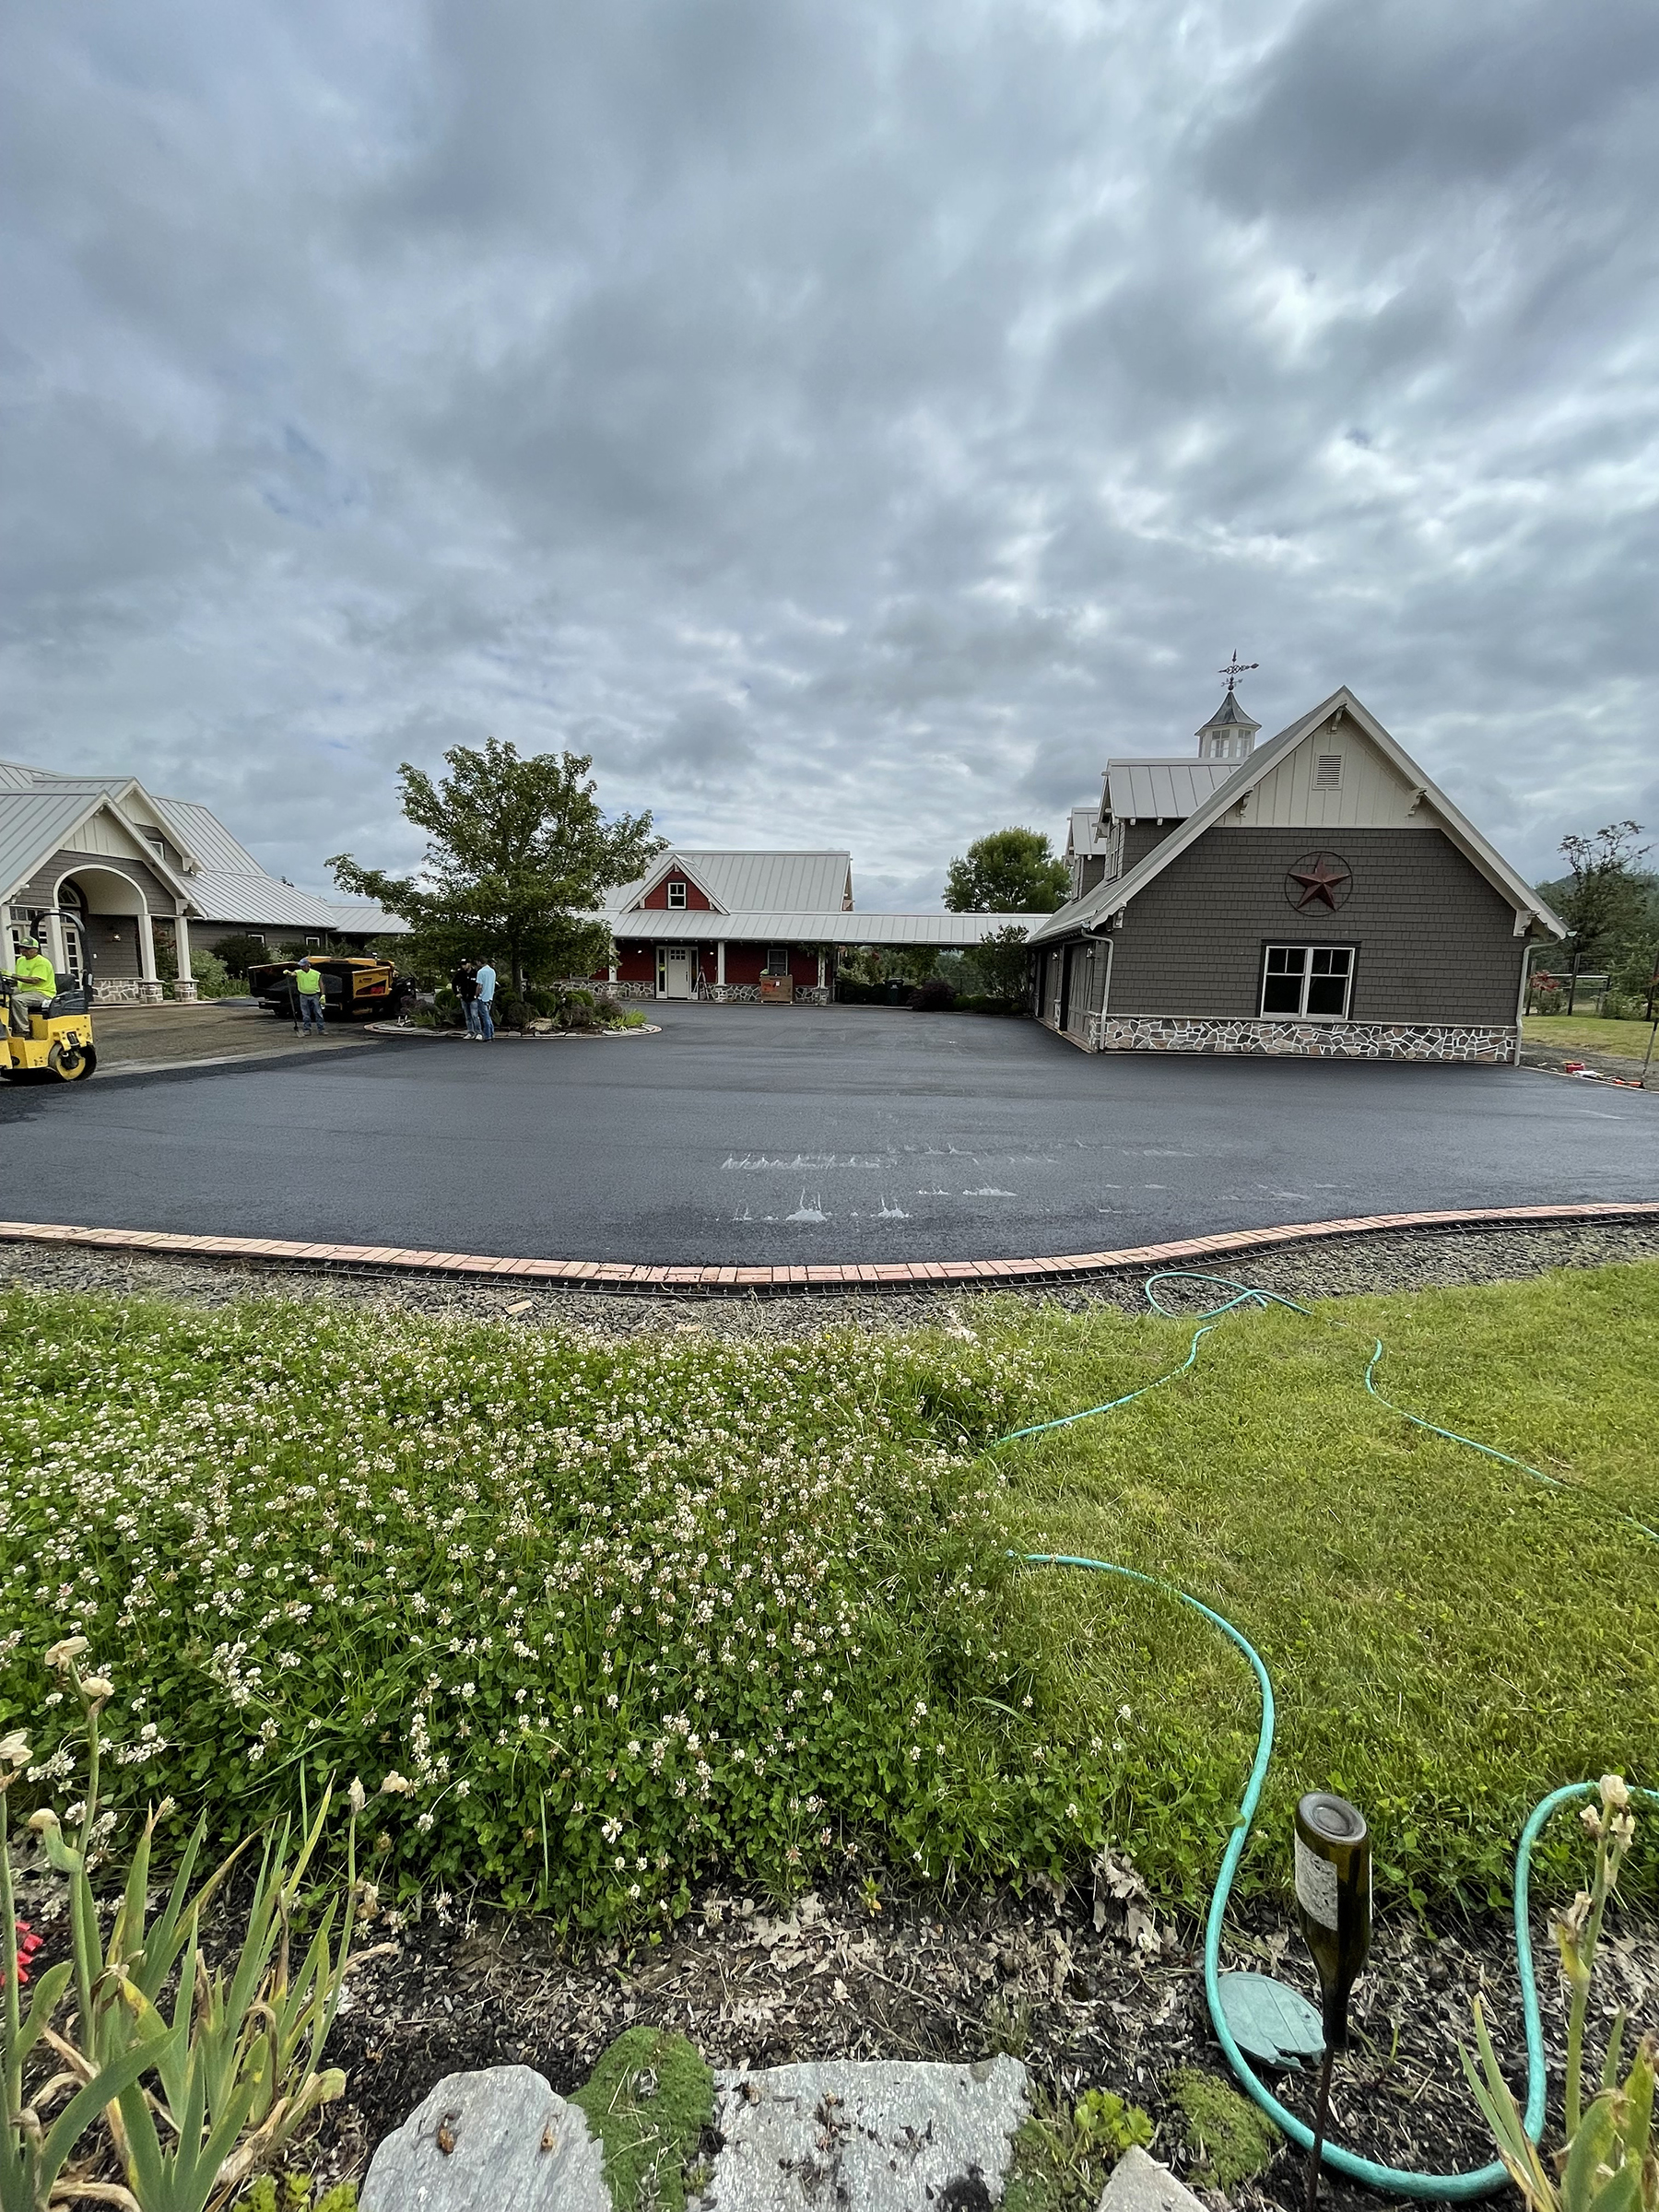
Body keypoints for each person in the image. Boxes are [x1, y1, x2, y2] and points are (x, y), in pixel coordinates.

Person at [293, 956, 326, 1035]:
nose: (301, 967)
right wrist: (288, 973)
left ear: (308, 965)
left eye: (303, 966)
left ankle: (321, 1029)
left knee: (318, 1013)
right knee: (305, 1013)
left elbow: (321, 984)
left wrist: (323, 995)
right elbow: (293, 974)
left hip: (315, 995)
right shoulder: (298, 972)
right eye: (301, 966)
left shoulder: (316, 974)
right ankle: (307, 1029)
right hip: (303, 995)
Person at [451, 959, 478, 1036]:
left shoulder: (475, 973)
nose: (463, 966)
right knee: (468, 1017)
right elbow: (454, 983)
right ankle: (470, 1032)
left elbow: (479, 984)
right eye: (462, 965)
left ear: (469, 964)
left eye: (465, 964)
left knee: (474, 1016)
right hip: (464, 998)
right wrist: (456, 993)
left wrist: (477, 995)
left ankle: (478, 1032)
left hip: (473, 998)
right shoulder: (460, 974)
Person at [473, 958, 497, 1041]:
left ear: (479, 962)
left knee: (485, 1017)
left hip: (483, 997)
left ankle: (487, 1035)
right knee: (488, 1016)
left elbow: (479, 986)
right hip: (490, 996)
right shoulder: (492, 971)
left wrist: (476, 995)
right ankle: (492, 1033)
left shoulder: (481, 972)